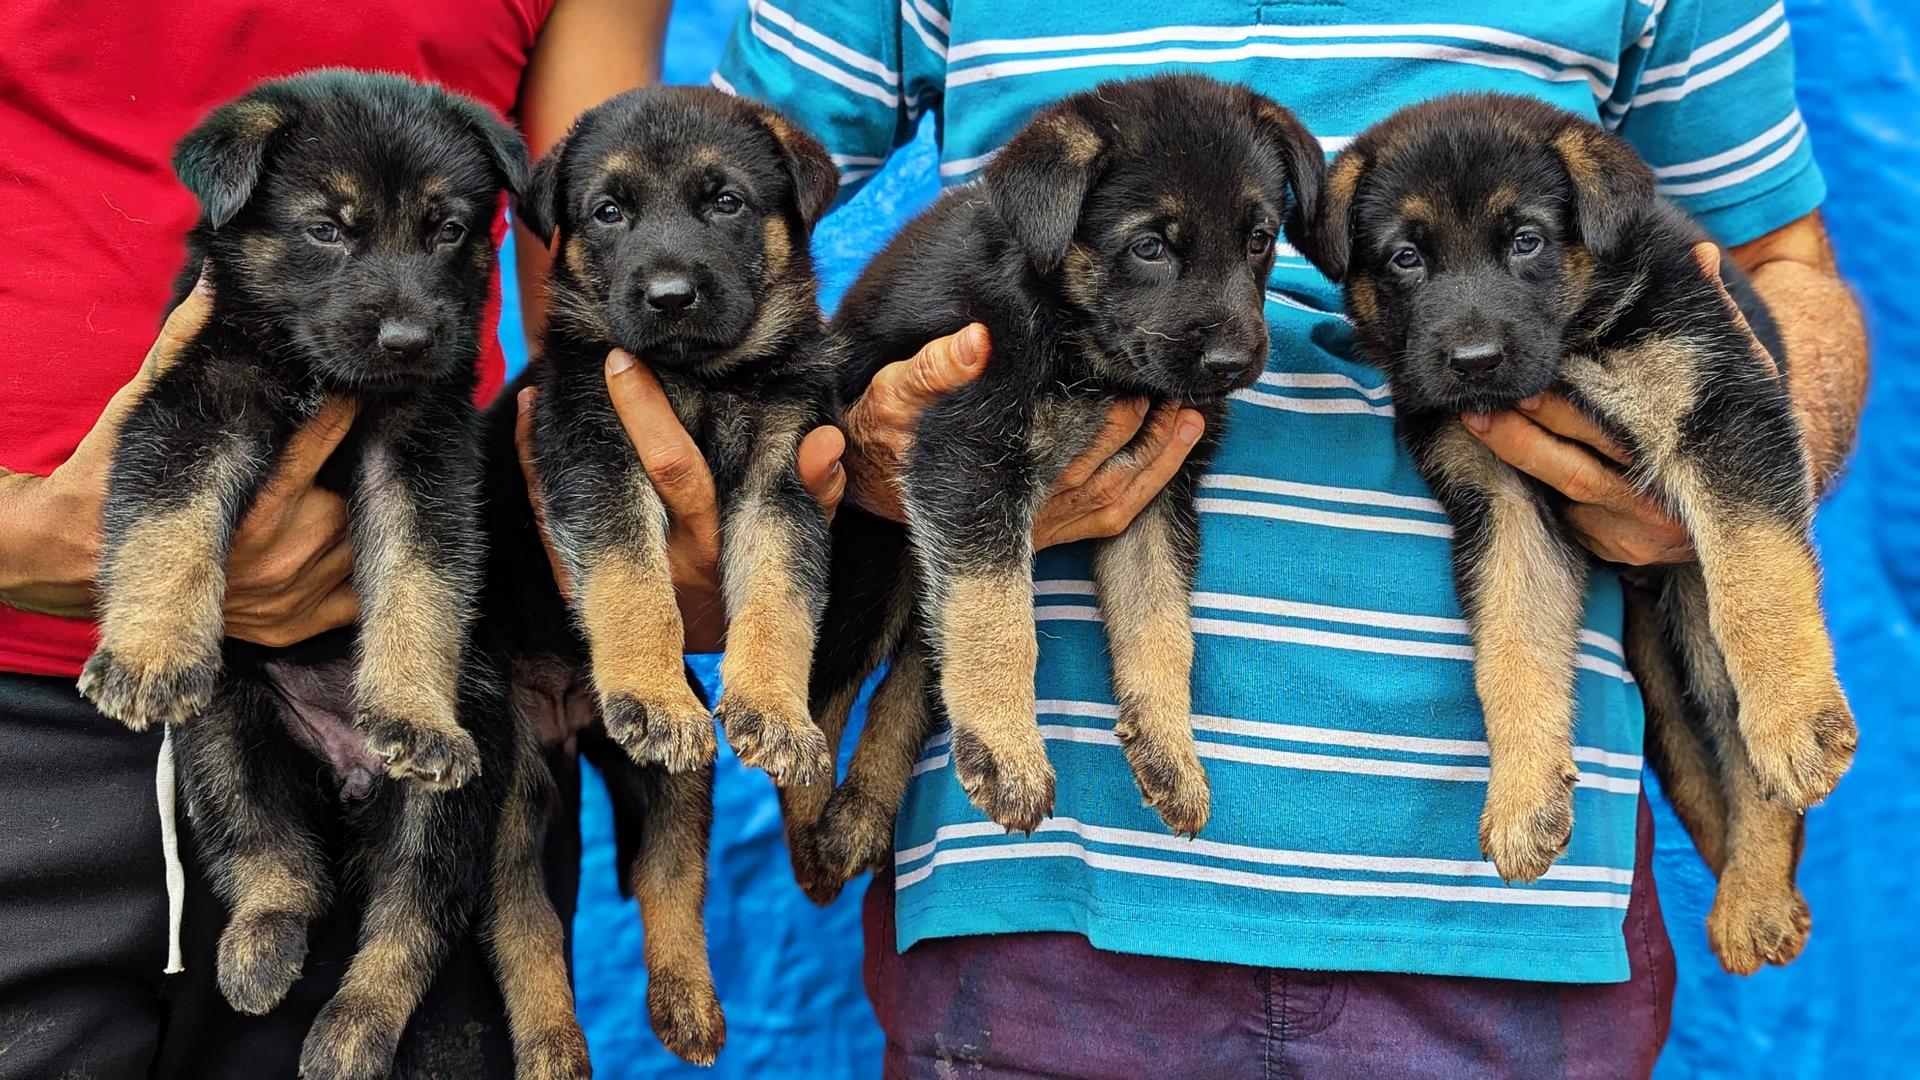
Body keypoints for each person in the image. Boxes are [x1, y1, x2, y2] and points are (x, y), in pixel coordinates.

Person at [700, 2, 1870, 1075]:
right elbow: (703, 211)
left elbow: (1783, 267)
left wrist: (1721, 451)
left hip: (1508, 916)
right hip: (1048, 894)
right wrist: (844, 455)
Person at [0, 1, 728, 1075]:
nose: (399, 302)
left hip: (427, 706)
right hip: (26, 713)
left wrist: (672, 545)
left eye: (445, 233)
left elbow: (597, 300)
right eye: (335, 233)